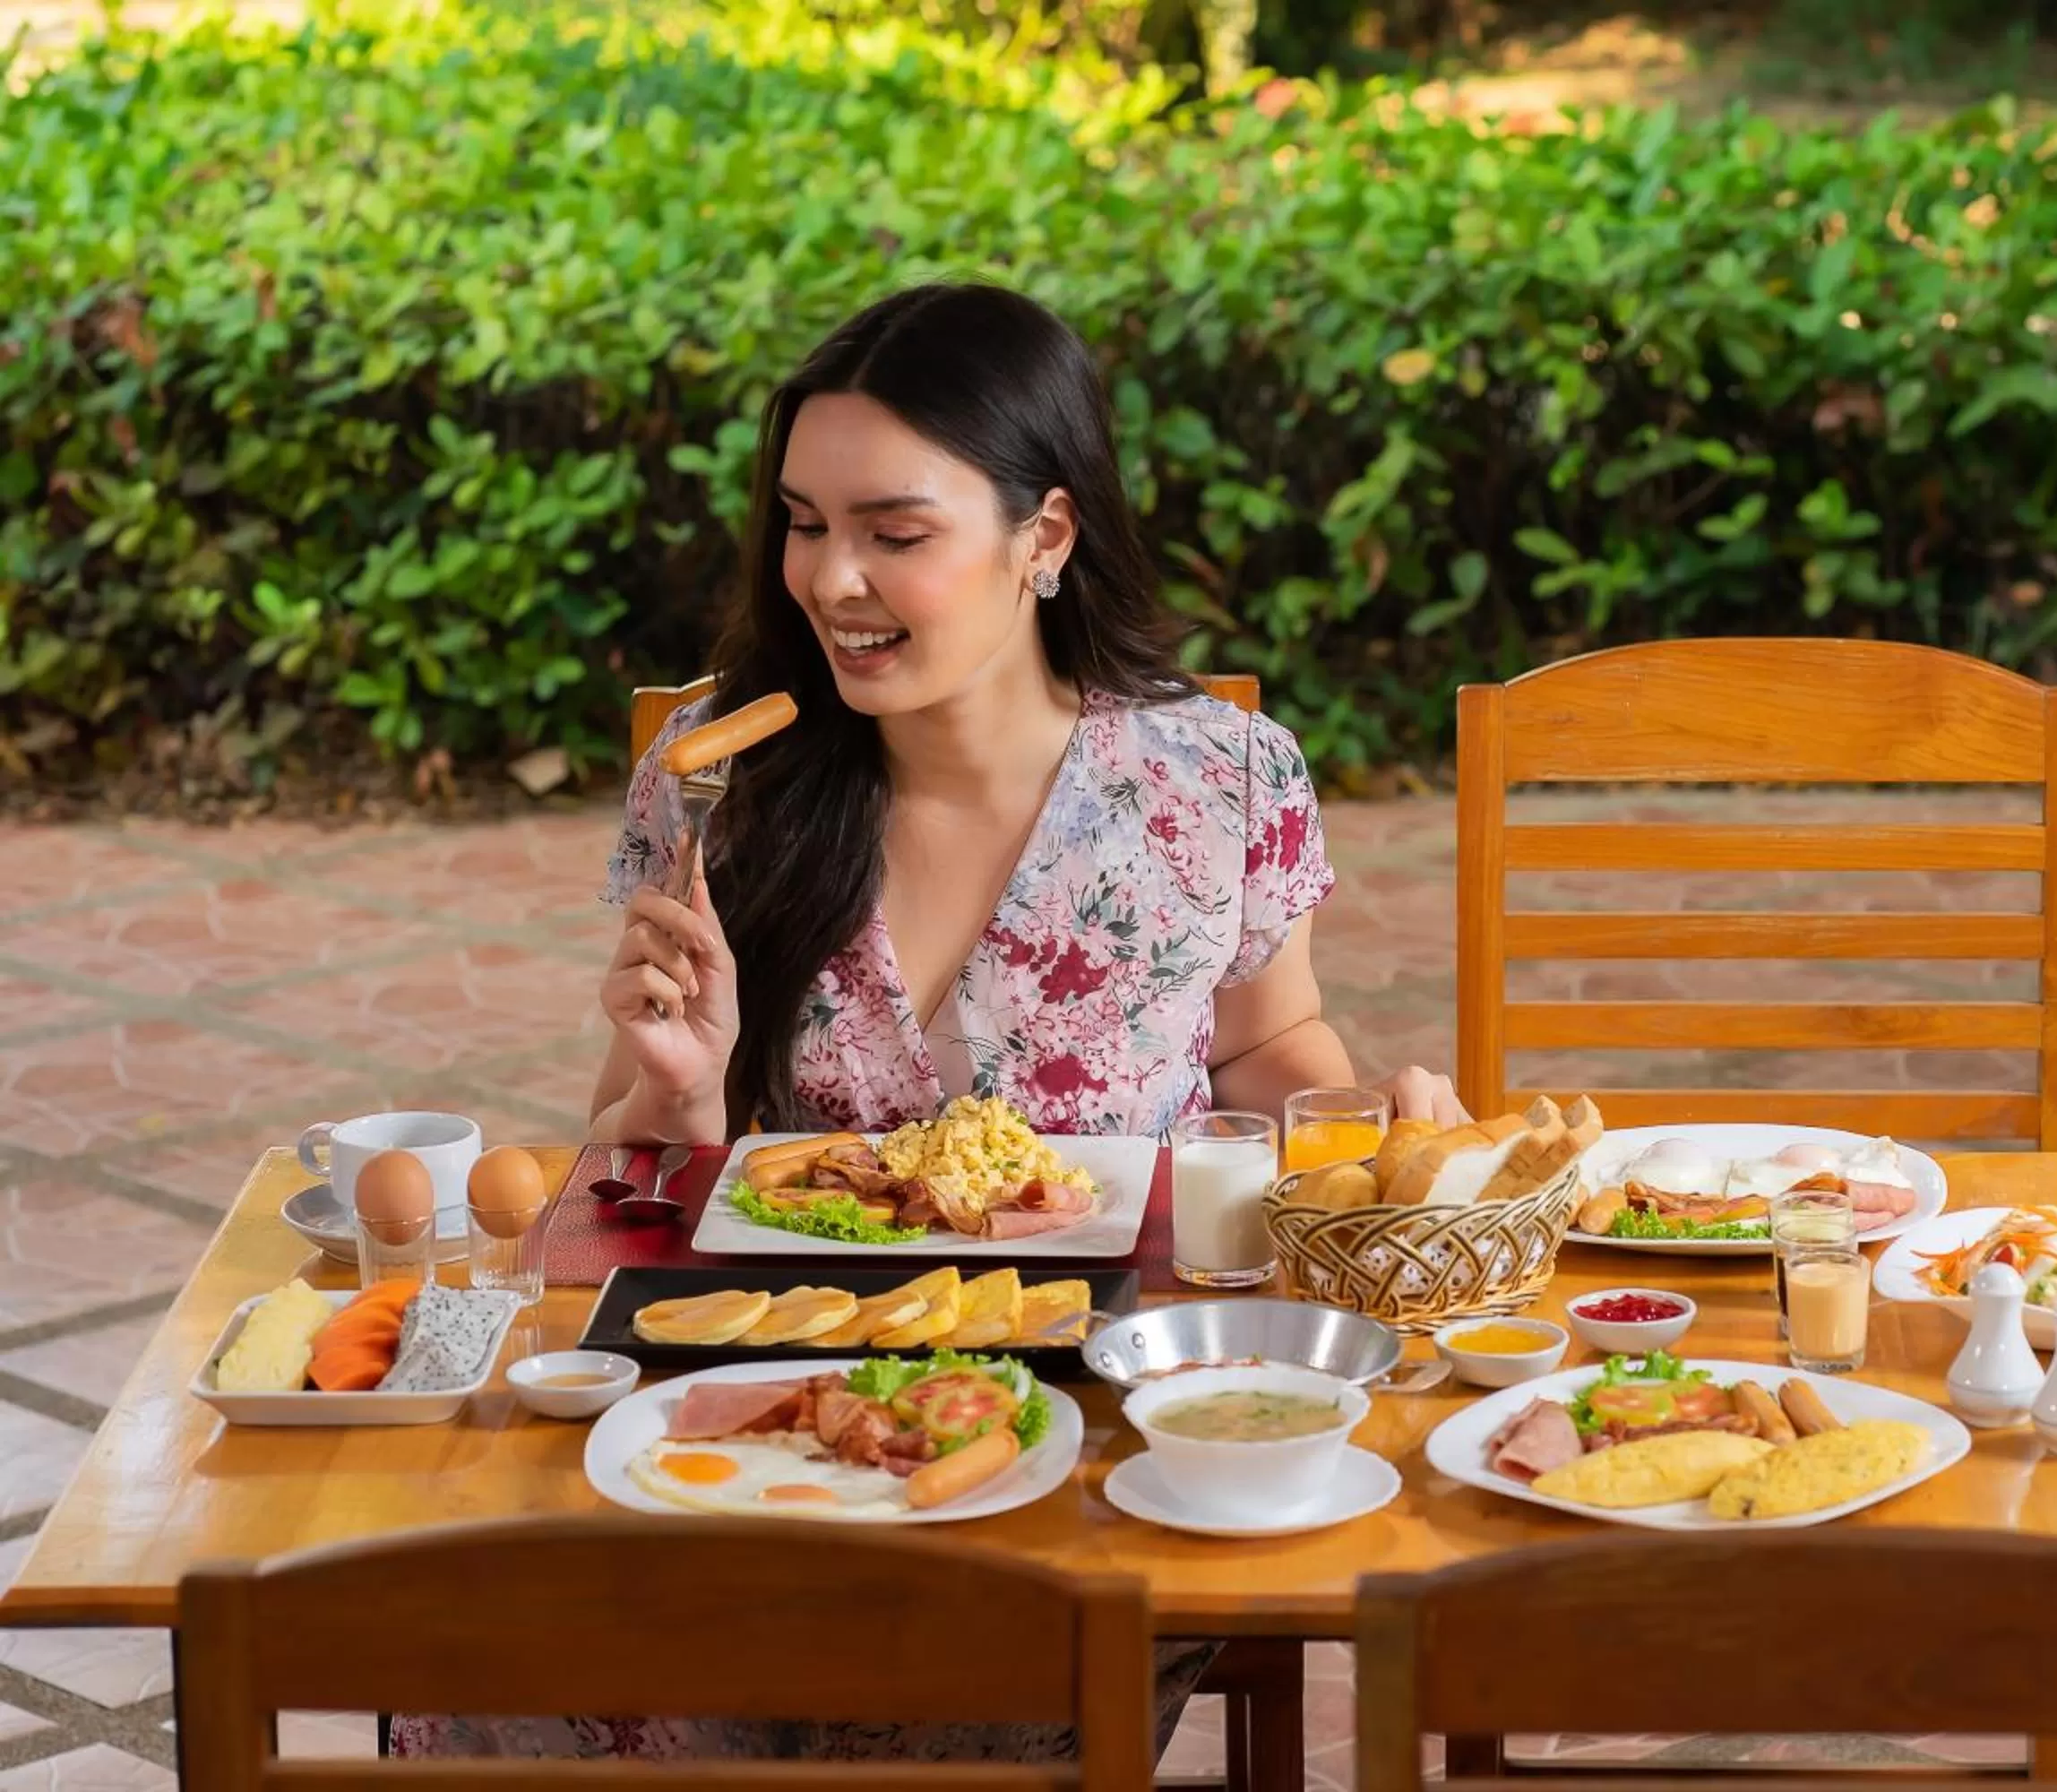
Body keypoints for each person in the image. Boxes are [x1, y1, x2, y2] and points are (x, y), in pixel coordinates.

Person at [388, 281, 1466, 1764]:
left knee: (981, 1671)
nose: (832, 579)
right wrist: (683, 1098)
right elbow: (605, 1207)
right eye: (804, 522)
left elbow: (1270, 1050)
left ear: (1047, 538)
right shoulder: (721, 791)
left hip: (1101, 1424)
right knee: (477, 1645)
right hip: (783, 1408)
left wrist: (1364, 1143)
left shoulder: (1218, 782)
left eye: (896, 534)